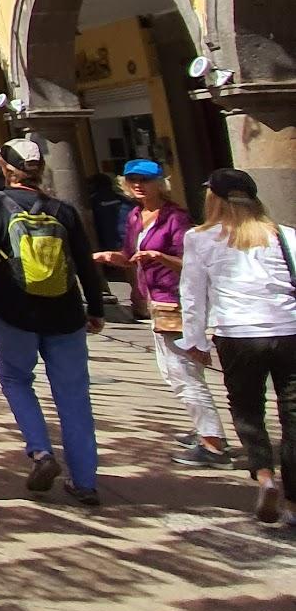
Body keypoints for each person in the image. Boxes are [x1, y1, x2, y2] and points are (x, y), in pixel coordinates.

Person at [0, 137, 107, 506]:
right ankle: (86, 481)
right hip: (65, 311)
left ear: (5, 168)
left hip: (14, 308)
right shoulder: (63, 209)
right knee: (74, 395)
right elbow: (84, 262)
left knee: (16, 378)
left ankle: (41, 451)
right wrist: (95, 308)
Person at [177, 168, 296, 528]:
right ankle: (293, 500)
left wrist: (194, 339)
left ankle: (264, 475)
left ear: (213, 199)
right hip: (289, 330)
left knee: (247, 409)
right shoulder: (286, 236)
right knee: (293, 416)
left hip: (238, 334)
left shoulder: (200, 238)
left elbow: (193, 294)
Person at [95, 159, 231, 467]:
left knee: (184, 372)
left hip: (177, 300)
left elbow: (191, 262)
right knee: (173, 372)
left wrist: (161, 257)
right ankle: (204, 430)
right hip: (153, 301)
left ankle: (213, 444)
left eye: (145, 179)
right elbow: (131, 257)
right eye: (132, 180)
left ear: (160, 182)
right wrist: (107, 257)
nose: (139, 185)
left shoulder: (175, 218)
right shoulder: (133, 216)